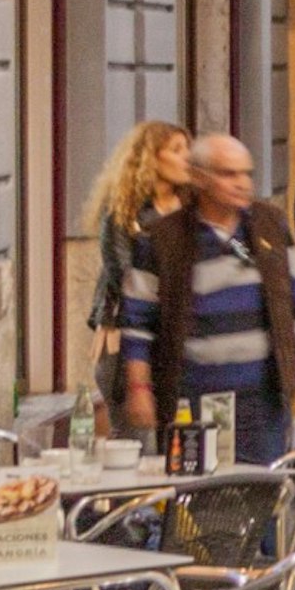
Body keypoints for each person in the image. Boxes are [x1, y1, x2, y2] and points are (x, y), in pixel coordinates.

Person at [120, 133, 295, 465]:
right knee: (195, 500)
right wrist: (139, 389)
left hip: (261, 397)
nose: (242, 183)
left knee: (261, 494)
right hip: (191, 397)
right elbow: (137, 323)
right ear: (199, 178)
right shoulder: (163, 238)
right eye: (229, 174)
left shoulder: (267, 226)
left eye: (247, 173)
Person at [85, 120, 191, 438]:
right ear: (150, 158)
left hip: (182, 343)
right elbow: (125, 276)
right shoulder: (124, 215)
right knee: (138, 443)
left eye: (189, 149)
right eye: (176, 150)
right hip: (127, 342)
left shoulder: (193, 211)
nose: (188, 157)